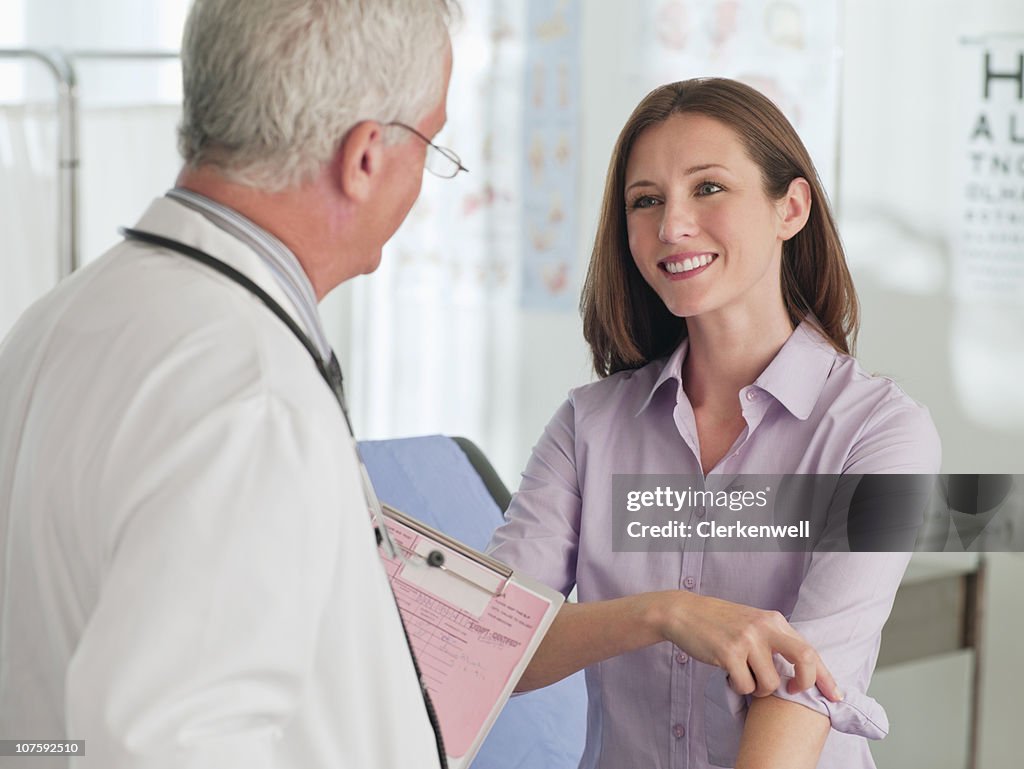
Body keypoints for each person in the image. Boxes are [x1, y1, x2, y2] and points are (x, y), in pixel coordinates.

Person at [0, 1, 462, 767]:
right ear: (366, 158)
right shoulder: (254, 394)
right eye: (430, 144)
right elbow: (164, 745)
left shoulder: (52, 325)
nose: (426, 178)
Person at [488, 78, 940, 769]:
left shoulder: (882, 435)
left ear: (790, 207)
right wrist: (663, 613)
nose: (672, 225)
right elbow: (493, 645)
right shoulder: (588, 424)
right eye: (646, 200)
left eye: (708, 188)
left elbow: (802, 693)